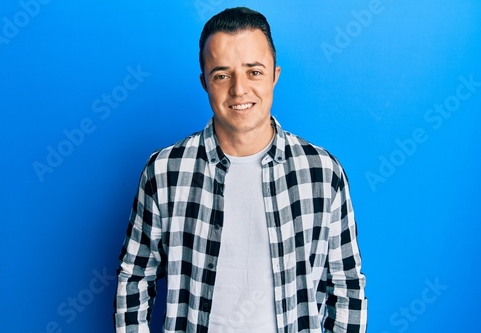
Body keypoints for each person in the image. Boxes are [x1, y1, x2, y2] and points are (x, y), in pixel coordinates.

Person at [114, 6, 367, 333]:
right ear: (204, 82)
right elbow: (134, 278)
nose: (239, 90)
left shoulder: (322, 172)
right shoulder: (164, 171)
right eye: (222, 75)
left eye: (254, 71)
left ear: (274, 76)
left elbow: (346, 285)